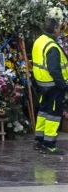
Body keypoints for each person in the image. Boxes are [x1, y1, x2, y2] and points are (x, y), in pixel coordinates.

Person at [33, 17, 68, 153]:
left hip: (43, 84)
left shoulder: (40, 40)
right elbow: (54, 70)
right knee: (53, 114)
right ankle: (49, 144)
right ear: (54, 29)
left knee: (43, 111)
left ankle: (39, 140)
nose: (59, 29)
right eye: (58, 27)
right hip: (54, 85)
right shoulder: (52, 46)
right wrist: (63, 86)